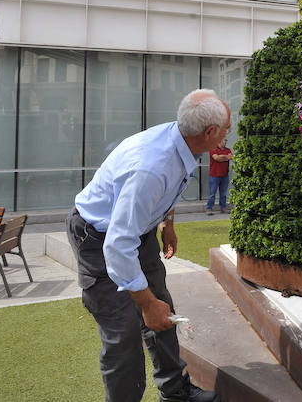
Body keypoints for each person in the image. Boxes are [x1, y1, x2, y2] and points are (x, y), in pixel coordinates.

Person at [66, 89, 229, 402]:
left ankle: (175, 391)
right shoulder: (152, 167)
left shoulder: (180, 140)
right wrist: (144, 302)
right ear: (209, 132)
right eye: (226, 130)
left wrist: (167, 222)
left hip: (137, 232)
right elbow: (116, 244)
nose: (226, 135)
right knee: (124, 333)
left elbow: (164, 189)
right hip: (97, 237)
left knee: (163, 307)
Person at [206, 136, 233, 215]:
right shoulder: (213, 149)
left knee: (223, 193)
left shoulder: (228, 150)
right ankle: (209, 208)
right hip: (214, 175)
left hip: (225, 175)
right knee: (212, 194)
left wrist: (222, 157)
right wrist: (226, 157)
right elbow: (216, 158)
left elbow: (231, 157)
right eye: (225, 140)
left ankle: (223, 208)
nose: (226, 141)